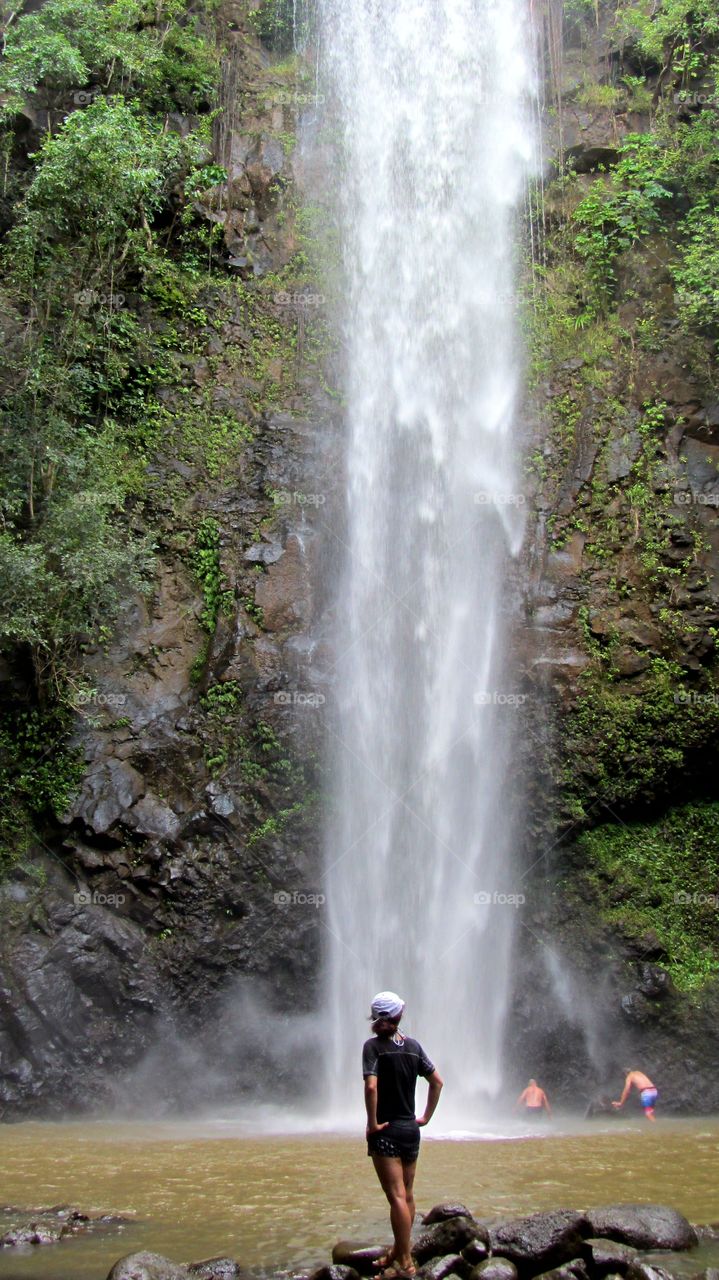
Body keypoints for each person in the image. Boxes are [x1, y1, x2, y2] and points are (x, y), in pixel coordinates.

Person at [363, 991, 443, 1280]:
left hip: (386, 1131)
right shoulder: (413, 1046)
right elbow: (437, 1082)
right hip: (411, 1129)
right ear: (398, 1016)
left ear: (376, 1018)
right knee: (407, 1195)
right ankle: (398, 1251)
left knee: (396, 1196)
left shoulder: (373, 1047)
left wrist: (372, 1124)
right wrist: (425, 1117)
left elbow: (371, 1088)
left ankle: (406, 1261)